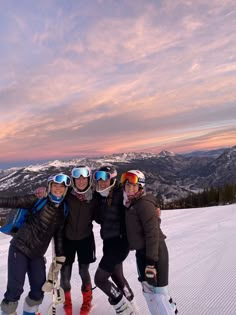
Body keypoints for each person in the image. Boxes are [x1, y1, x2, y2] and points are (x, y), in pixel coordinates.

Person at [0, 173, 70, 315]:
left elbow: (58, 235)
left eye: (62, 186)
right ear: (49, 186)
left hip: (37, 254)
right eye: (55, 185)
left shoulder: (63, 209)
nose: (58, 189)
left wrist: (60, 256)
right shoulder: (38, 199)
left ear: (65, 189)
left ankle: (29, 313)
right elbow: (12, 201)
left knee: (39, 290)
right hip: (19, 248)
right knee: (15, 290)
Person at [35, 166, 96, 315]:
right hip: (67, 240)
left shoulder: (95, 197)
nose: (81, 181)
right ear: (73, 180)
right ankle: (67, 302)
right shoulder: (67, 194)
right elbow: (54, 191)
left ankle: (87, 301)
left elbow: (113, 200)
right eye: (77, 178)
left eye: (84, 178)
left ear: (88, 179)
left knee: (83, 272)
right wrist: (42, 191)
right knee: (65, 275)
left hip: (86, 239)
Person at [120, 170, 178, 315]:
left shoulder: (143, 204)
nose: (129, 189)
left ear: (140, 186)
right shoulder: (130, 203)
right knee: (148, 292)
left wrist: (151, 262)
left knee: (160, 295)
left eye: (133, 186)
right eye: (127, 185)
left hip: (155, 252)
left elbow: (152, 234)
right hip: (142, 253)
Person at [93, 166, 138, 315]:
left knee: (100, 279)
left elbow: (138, 199)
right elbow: (100, 218)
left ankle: (124, 309)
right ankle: (134, 306)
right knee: (117, 276)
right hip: (109, 243)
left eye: (105, 178)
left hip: (119, 244)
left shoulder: (120, 193)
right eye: (98, 177)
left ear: (112, 179)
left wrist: (154, 209)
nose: (101, 181)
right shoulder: (100, 196)